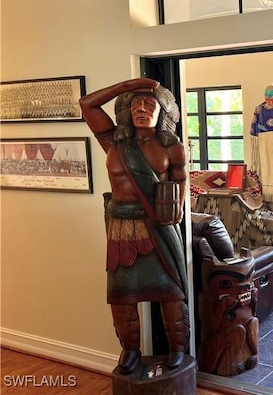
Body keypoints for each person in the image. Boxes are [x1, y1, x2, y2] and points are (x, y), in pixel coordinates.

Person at [79, 78, 188, 374]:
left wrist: (175, 208)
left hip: (157, 224)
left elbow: (179, 183)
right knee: (123, 294)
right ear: (126, 110)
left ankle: (177, 348)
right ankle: (130, 350)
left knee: (170, 290)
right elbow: (87, 104)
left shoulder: (173, 146)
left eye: (149, 103)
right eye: (135, 103)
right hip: (121, 225)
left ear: (162, 111)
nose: (142, 108)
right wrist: (127, 86)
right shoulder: (114, 141)